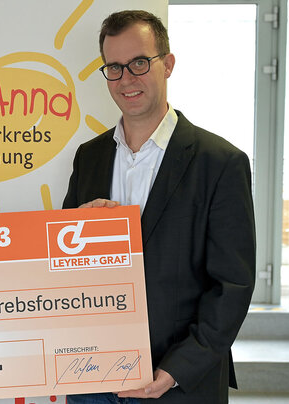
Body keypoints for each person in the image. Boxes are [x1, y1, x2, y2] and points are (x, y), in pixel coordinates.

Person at [63, 10, 255, 404]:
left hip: (177, 383)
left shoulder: (221, 163)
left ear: (167, 64)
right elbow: (61, 268)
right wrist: (74, 232)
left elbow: (232, 286)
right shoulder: (88, 157)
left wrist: (176, 371)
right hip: (92, 381)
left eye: (139, 63)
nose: (126, 79)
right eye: (114, 68)